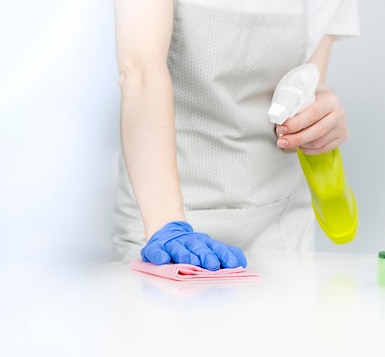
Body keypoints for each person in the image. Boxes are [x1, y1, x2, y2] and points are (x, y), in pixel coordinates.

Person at [111, 0, 360, 270]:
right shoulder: (164, 227)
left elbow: (303, 90)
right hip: (163, 221)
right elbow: (140, 72)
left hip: (277, 229)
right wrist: (167, 227)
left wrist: (316, 120)